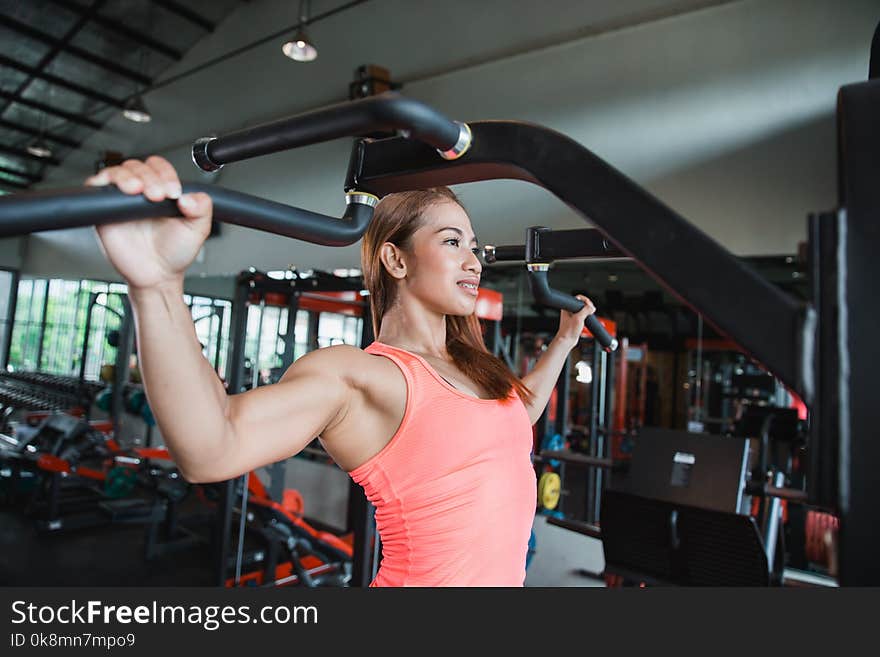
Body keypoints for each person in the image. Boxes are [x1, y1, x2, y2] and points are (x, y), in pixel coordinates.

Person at [85, 156, 597, 586]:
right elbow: (211, 447)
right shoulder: (362, 377)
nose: (474, 261)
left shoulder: (476, 373)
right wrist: (157, 285)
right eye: (451, 242)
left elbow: (518, 412)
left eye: (473, 245)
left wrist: (564, 340)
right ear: (396, 260)